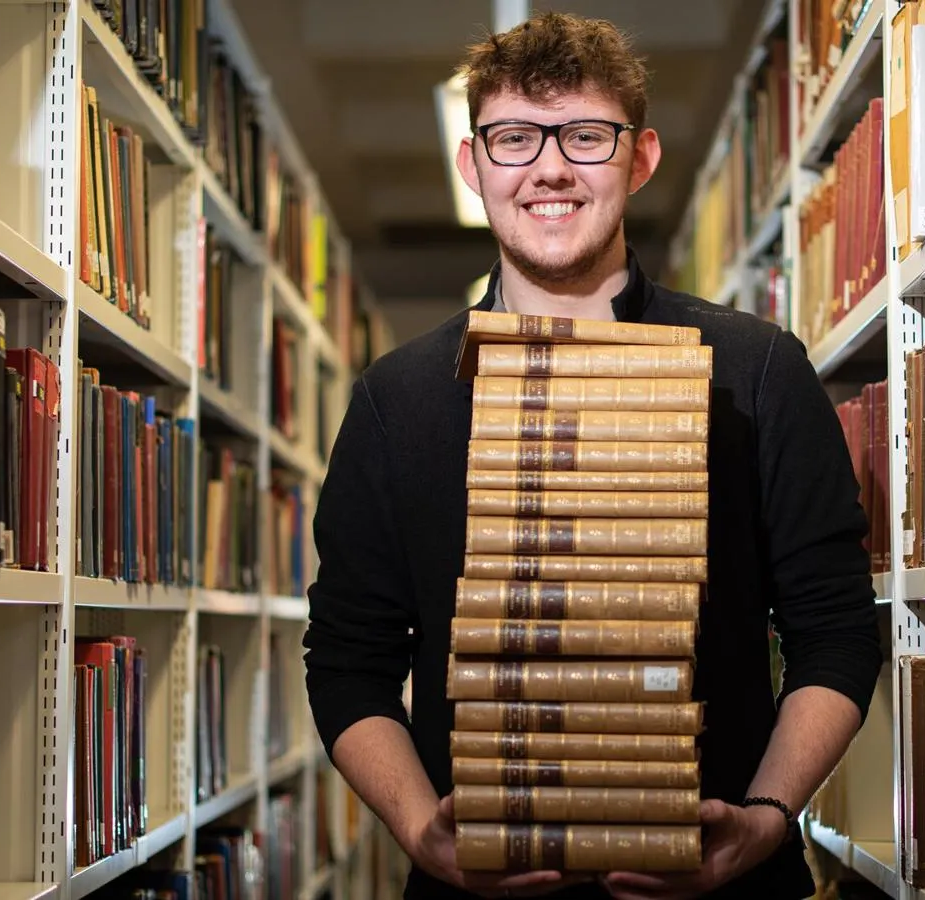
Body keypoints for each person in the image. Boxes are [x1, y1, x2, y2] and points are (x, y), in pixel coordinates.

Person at [302, 11, 883, 899]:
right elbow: (348, 659)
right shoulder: (395, 398)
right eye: (512, 138)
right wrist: (421, 831)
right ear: (473, 166)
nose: (549, 167)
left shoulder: (759, 368)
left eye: (584, 135)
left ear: (640, 157)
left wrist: (767, 820)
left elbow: (835, 630)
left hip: (727, 884)